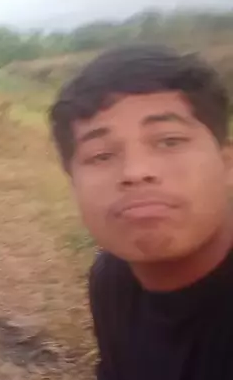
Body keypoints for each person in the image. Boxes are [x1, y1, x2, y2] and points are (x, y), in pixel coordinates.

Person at [49, 44, 233, 380]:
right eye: (101, 156)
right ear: (73, 182)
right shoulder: (113, 280)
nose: (135, 172)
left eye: (169, 141)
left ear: (227, 163)